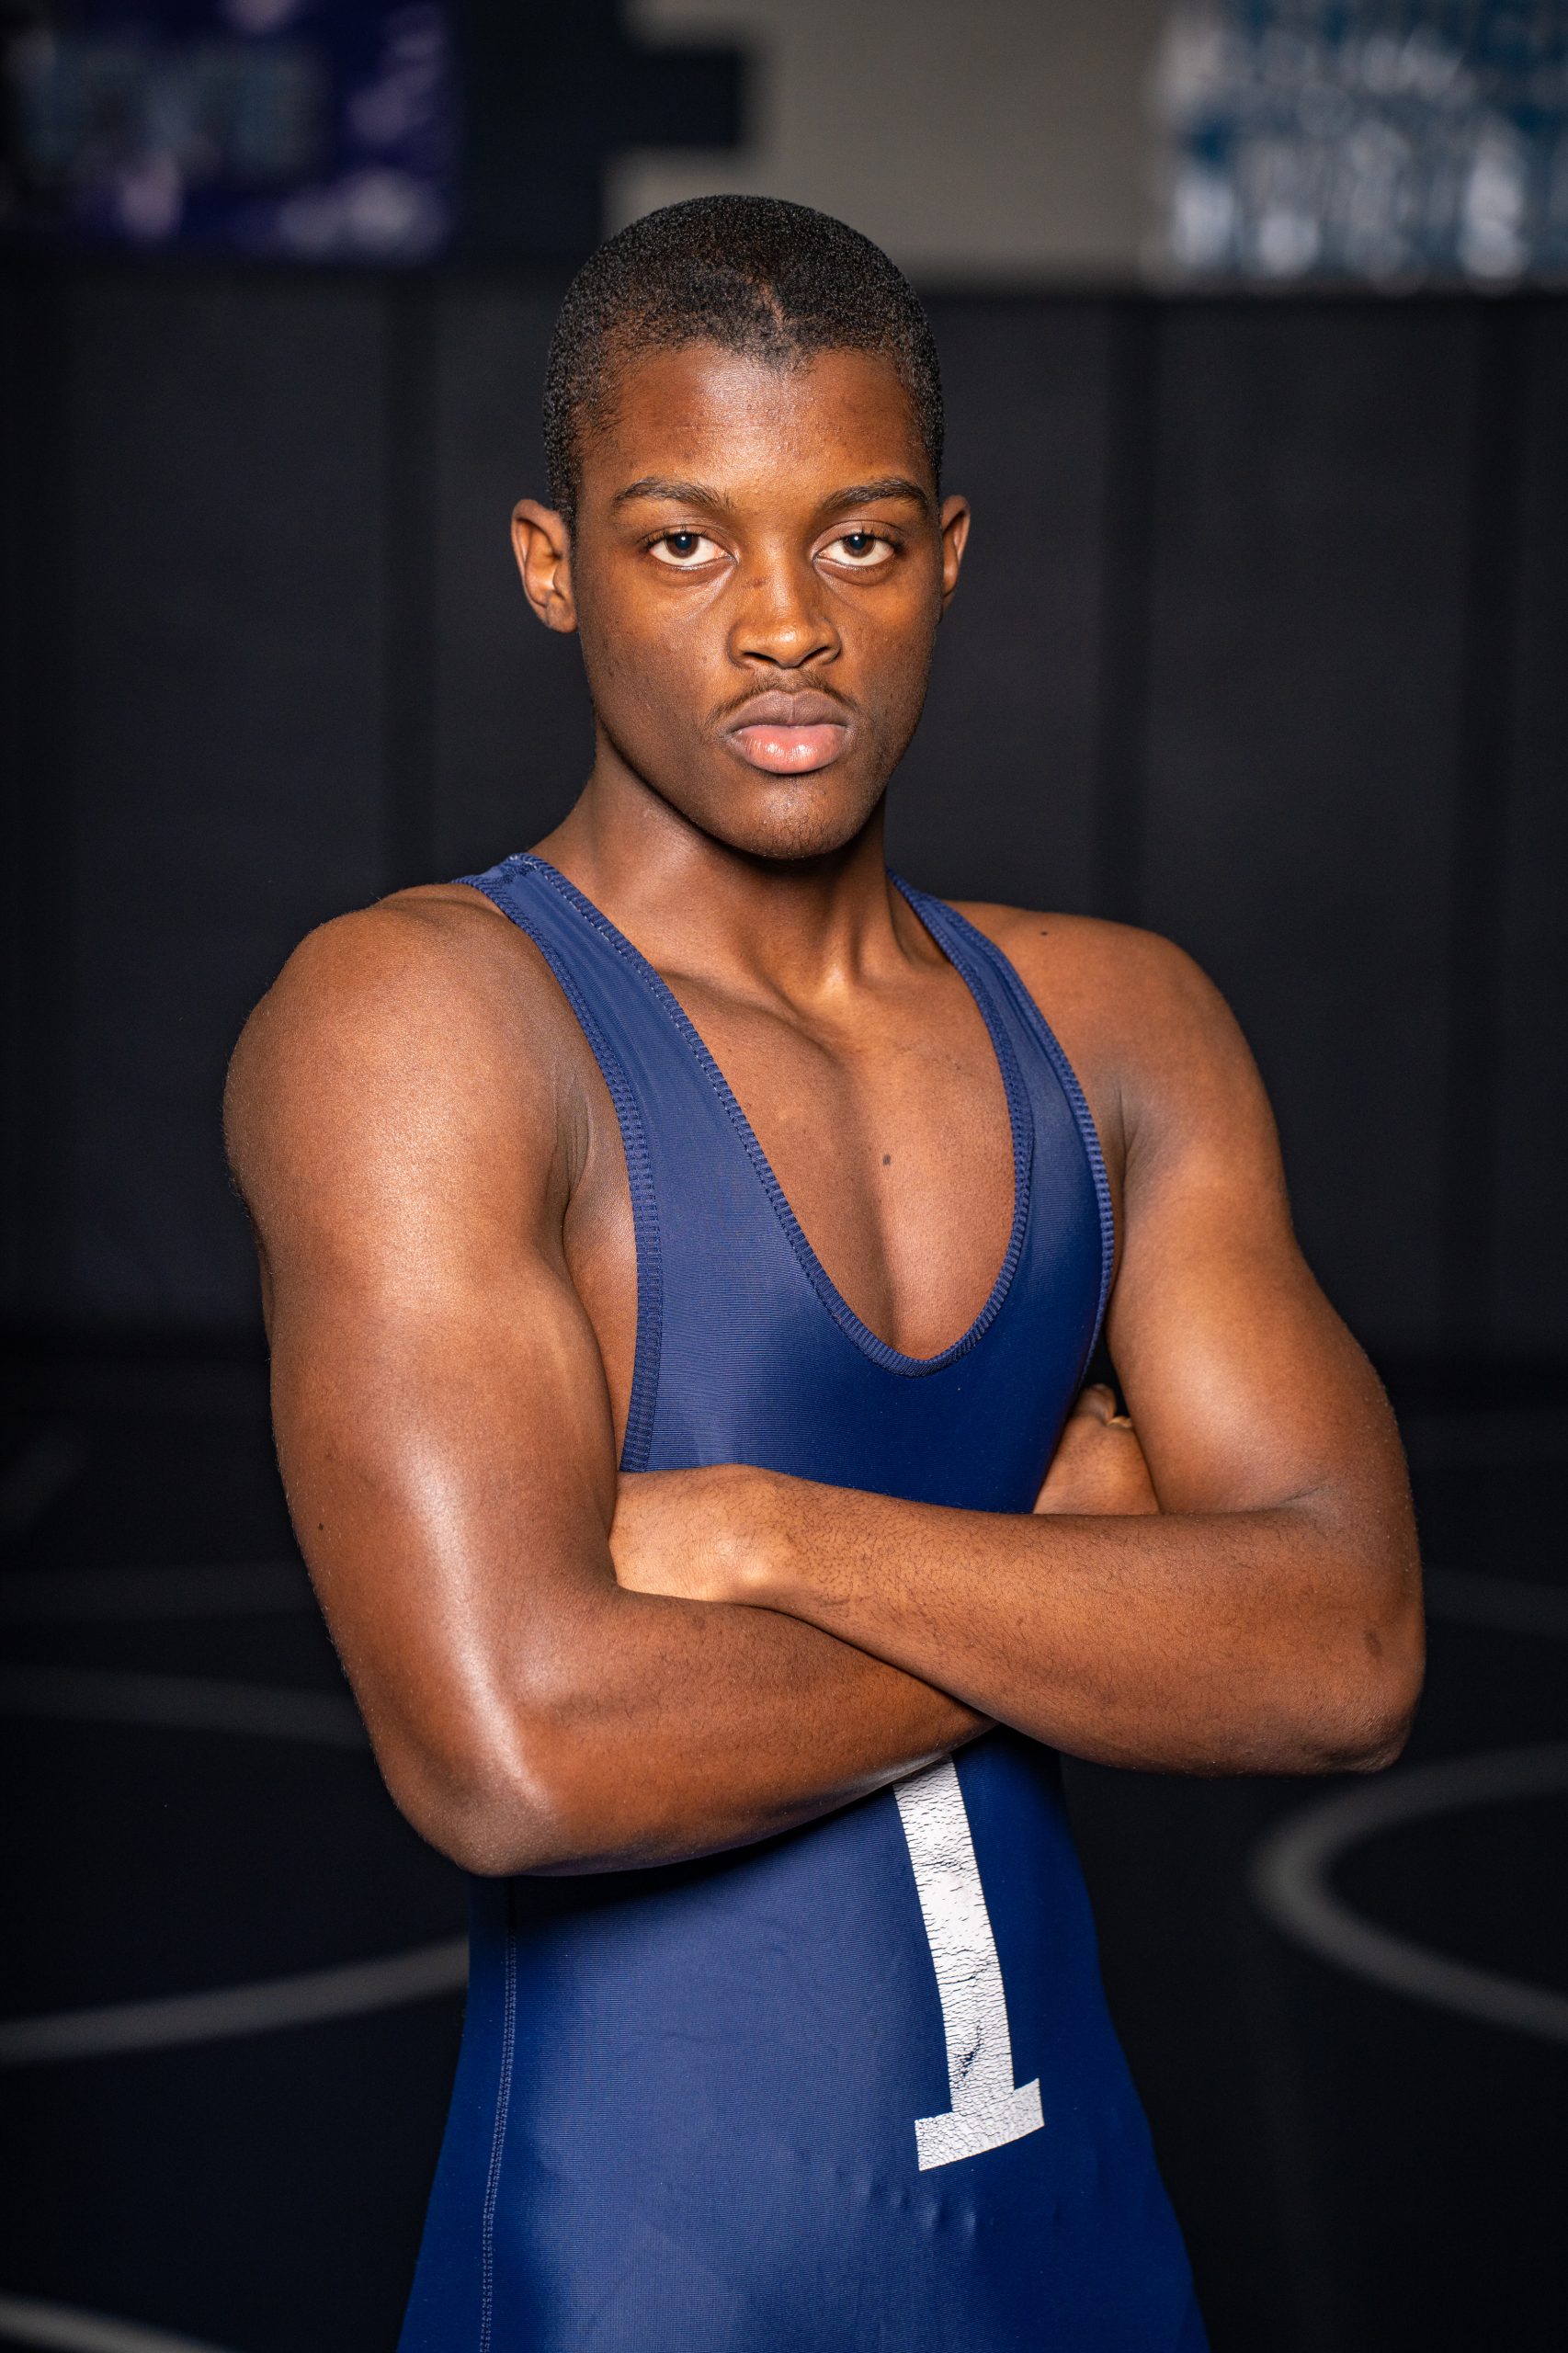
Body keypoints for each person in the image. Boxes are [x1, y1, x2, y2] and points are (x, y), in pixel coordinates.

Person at [224, 197, 1422, 2352]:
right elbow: (515, 1750)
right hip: (651, 2277)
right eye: (685, 541)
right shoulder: (422, 1022)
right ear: (552, 564)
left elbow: (1342, 1650)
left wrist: (784, 1534)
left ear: (943, 557)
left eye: (856, 540)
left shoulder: (1124, 1030)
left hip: (1086, 2255)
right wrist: (1100, 1577)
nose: (785, 622)